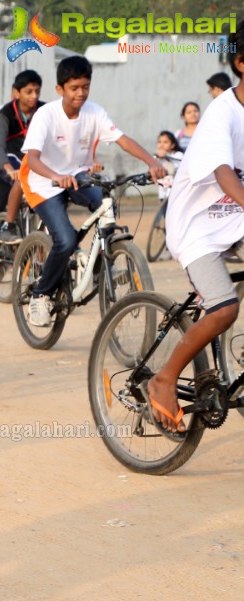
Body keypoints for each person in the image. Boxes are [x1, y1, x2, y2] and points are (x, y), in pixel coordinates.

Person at [20, 56, 166, 327]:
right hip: (43, 182)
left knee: (107, 206)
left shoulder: (95, 112)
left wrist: (152, 161)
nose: (81, 93)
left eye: (85, 86)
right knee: (63, 239)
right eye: (74, 88)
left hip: (79, 175)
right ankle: (41, 295)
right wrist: (56, 176)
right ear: (60, 89)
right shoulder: (46, 115)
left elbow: (122, 140)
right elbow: (33, 159)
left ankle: (104, 263)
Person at [149, 31, 244, 433]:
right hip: (198, 226)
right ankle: (164, 376)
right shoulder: (221, 114)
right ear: (240, 64)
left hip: (235, 219)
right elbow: (223, 172)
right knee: (224, 307)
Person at [0, 69, 42, 242]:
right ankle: (4, 230)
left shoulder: (44, 110)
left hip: (34, 159)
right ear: (16, 92)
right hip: (9, 159)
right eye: (28, 92)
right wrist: (8, 168)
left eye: (37, 91)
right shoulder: (4, 114)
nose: (34, 96)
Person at [155, 131, 184, 203]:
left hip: (176, 190)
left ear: (172, 145)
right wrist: (158, 158)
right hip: (162, 191)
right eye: (159, 142)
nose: (162, 145)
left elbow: (174, 168)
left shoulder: (178, 155)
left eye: (165, 142)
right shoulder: (156, 157)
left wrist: (166, 156)